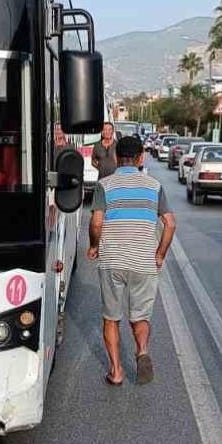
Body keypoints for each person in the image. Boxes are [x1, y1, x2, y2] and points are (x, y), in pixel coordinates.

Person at [87, 134, 176, 386]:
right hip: (143, 261)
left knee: (111, 317)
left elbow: (96, 222)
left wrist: (94, 246)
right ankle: (142, 350)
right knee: (140, 316)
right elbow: (170, 223)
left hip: (113, 259)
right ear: (141, 158)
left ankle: (116, 372)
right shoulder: (154, 186)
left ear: (116, 158)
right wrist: (159, 255)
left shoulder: (105, 185)